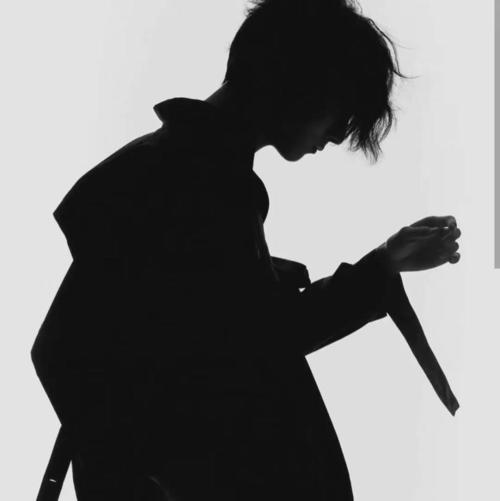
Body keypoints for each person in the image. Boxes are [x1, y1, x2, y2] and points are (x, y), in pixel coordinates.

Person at [31, 0, 461, 500]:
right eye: (342, 112)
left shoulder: (180, 168)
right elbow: (257, 338)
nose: (339, 134)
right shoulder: (190, 179)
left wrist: (381, 264)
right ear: (298, 84)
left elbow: (229, 327)